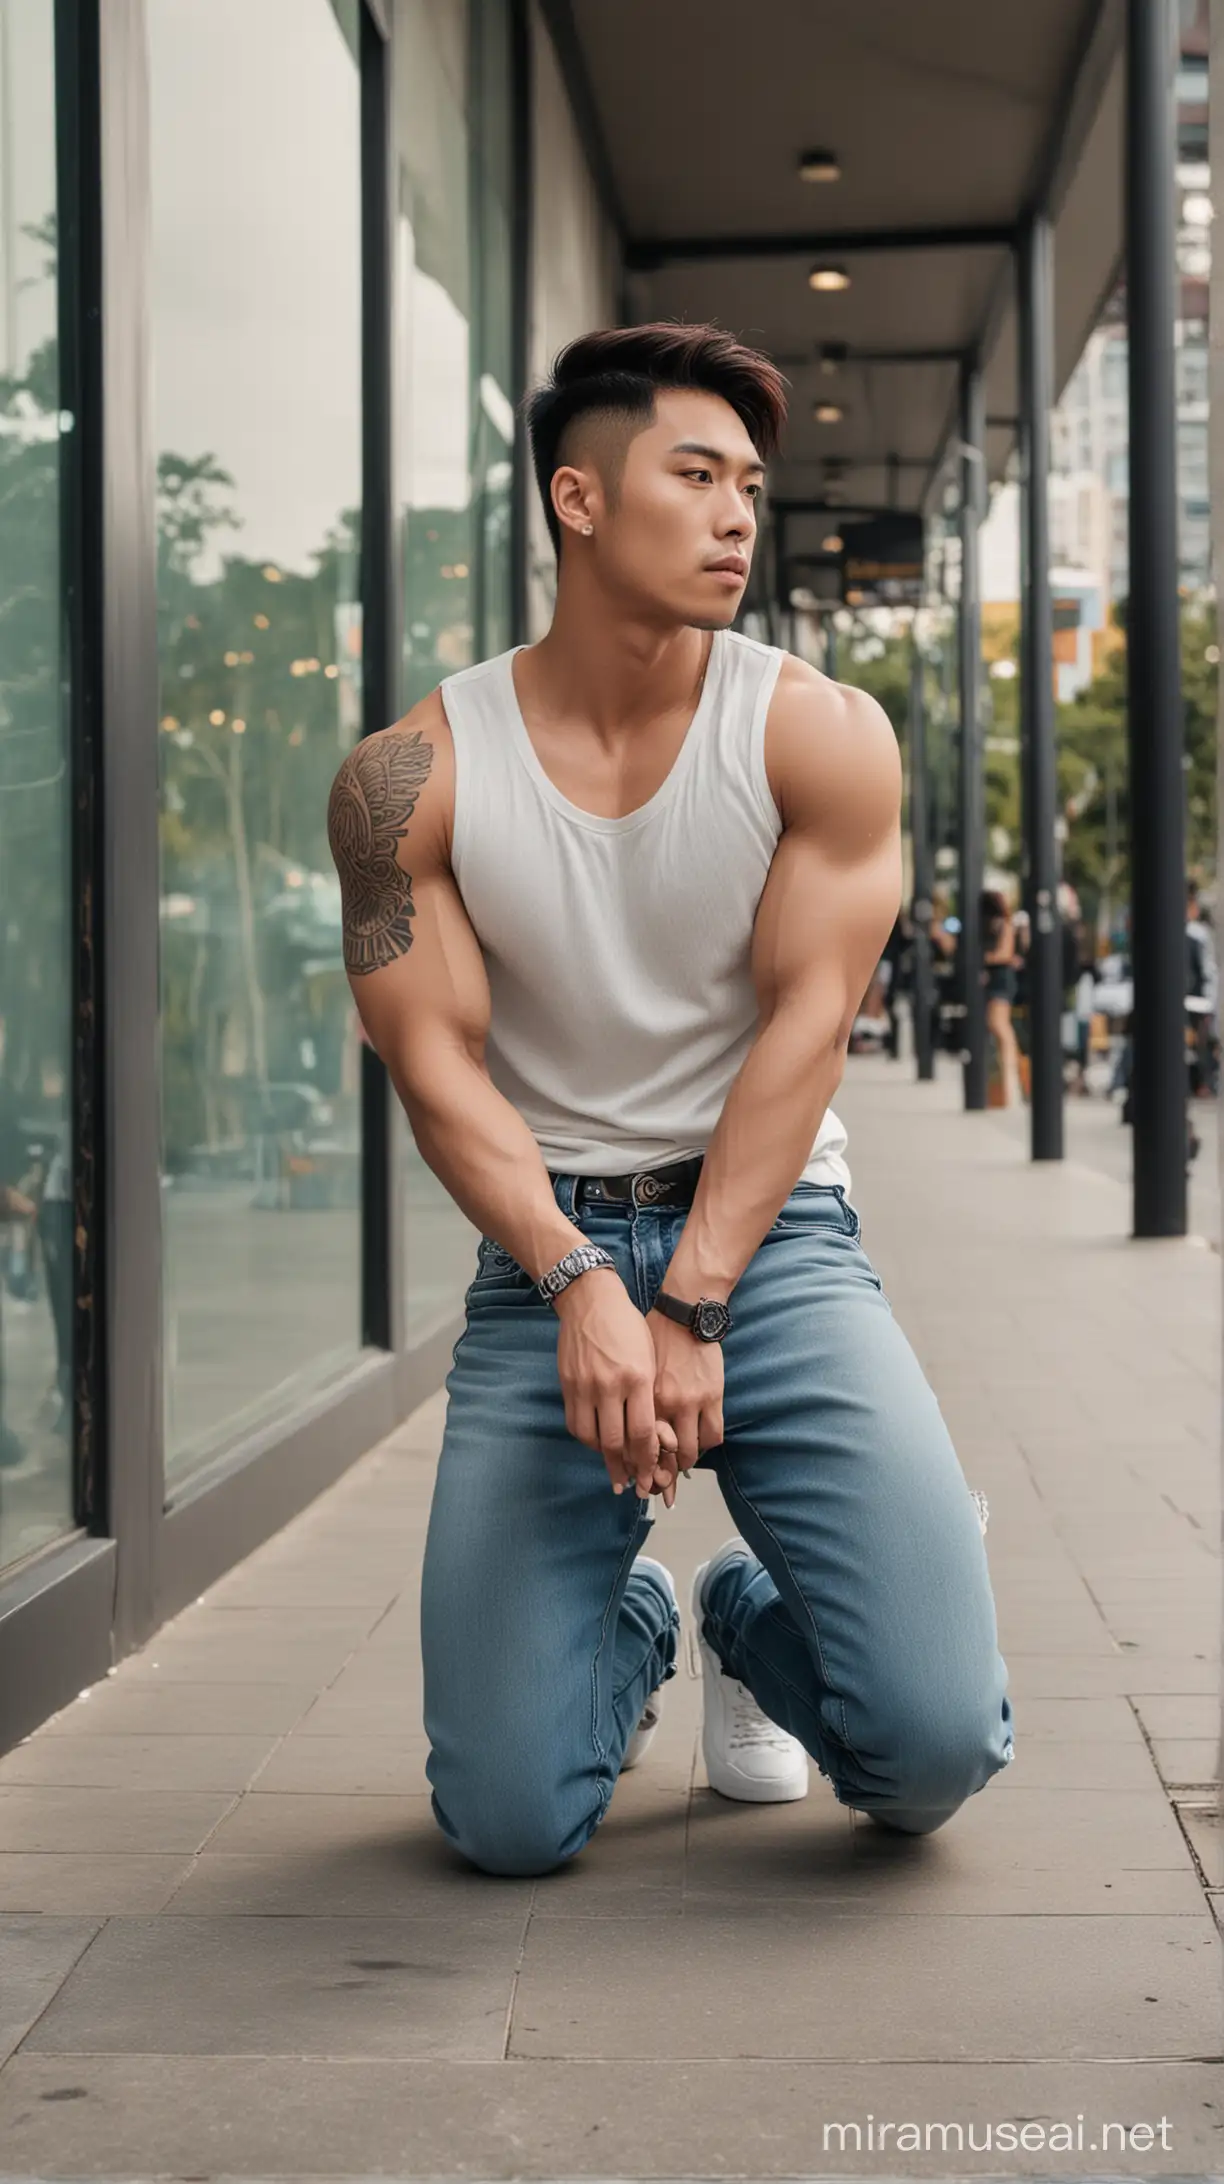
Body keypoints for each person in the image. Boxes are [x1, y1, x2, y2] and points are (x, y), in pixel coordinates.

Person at [328, 323, 1013, 1877]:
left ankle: (750, 1613)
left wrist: (693, 1299)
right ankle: (625, 1619)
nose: (737, 518)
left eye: (751, 486)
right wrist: (579, 1283)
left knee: (928, 1753)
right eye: (694, 475)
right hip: (544, 1255)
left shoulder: (817, 735)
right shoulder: (410, 775)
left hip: (771, 1247)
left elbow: (811, 1019)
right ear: (579, 500)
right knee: (504, 1825)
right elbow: (435, 1070)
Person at [981, 888, 1021, 1105]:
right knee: (996, 1025)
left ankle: (1010, 1070)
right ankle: (1004, 1073)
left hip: (1002, 978)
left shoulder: (1005, 924)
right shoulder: (991, 926)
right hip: (997, 978)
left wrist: (984, 957)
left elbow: (1004, 954)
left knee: (999, 1025)